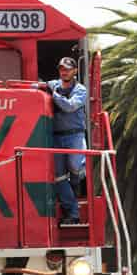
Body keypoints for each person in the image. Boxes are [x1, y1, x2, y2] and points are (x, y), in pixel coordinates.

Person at [47, 57, 87, 225]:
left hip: (75, 136)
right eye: (62, 69)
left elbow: (70, 106)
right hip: (56, 137)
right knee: (59, 177)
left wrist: (54, 96)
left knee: (75, 167)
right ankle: (72, 213)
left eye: (68, 69)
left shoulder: (81, 90)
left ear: (75, 71)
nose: (64, 71)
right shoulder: (53, 84)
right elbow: (38, 85)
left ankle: (77, 180)